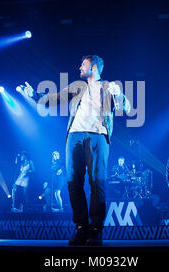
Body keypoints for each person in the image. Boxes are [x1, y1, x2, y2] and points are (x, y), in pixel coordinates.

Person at [20, 54, 131, 245]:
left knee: (98, 183)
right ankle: (81, 227)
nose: (80, 67)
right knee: (73, 182)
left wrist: (119, 94)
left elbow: (126, 108)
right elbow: (56, 98)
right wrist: (34, 95)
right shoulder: (77, 86)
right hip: (74, 135)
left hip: (98, 135)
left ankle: (96, 229)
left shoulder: (108, 86)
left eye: (84, 64)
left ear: (94, 67)